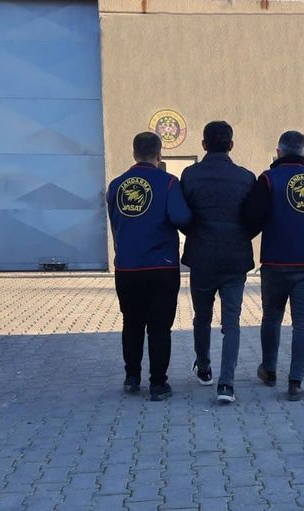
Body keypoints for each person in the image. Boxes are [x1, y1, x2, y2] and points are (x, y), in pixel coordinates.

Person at [242, 130, 304, 401]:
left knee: (271, 318)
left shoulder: (268, 180)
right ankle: (296, 381)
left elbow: (253, 218)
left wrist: (238, 241)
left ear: (278, 153)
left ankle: (269, 370)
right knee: (303, 322)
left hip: (275, 263)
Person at [106, 132, 192, 401]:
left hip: (127, 267)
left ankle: (132, 378)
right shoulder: (168, 183)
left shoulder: (116, 185)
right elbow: (182, 219)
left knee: (131, 323)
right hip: (161, 267)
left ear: (134, 153)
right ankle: (158, 384)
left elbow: (116, 223)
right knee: (159, 327)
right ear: (159, 154)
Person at [181, 121, 256, 404]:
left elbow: (183, 215)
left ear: (203, 144)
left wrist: (196, 233)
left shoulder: (189, 175)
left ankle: (204, 368)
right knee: (231, 323)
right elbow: (254, 218)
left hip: (201, 257)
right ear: (231, 145)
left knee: (202, 317)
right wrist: (240, 235)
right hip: (235, 259)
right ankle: (227, 384)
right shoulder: (246, 178)